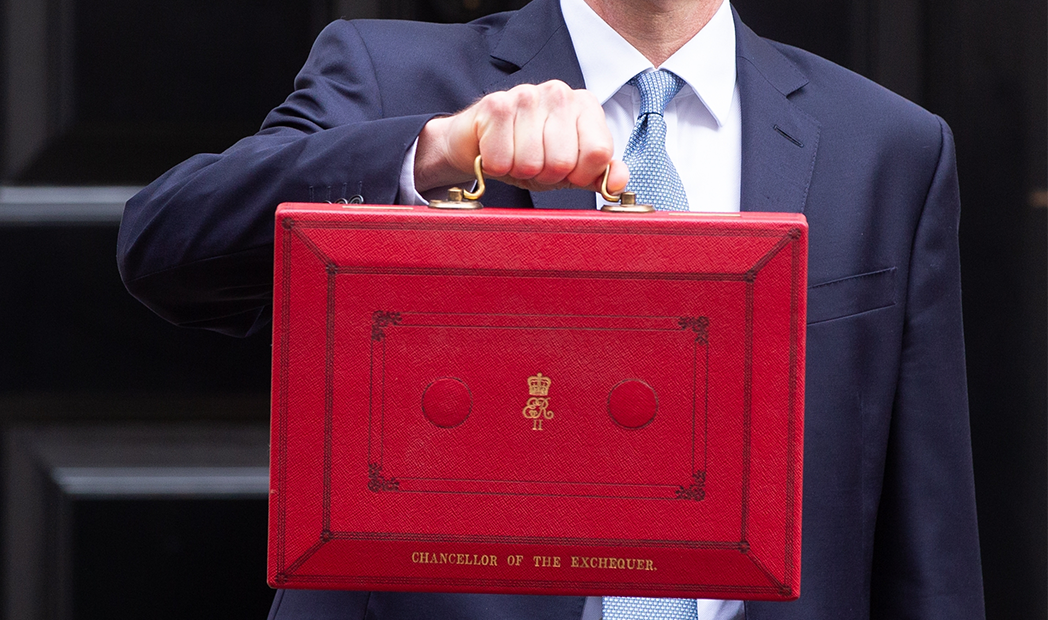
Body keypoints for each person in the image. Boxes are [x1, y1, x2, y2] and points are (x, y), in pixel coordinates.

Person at [116, 0, 986, 618]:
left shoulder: (888, 147)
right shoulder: (394, 78)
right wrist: (436, 152)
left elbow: (929, 551)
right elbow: (167, 247)